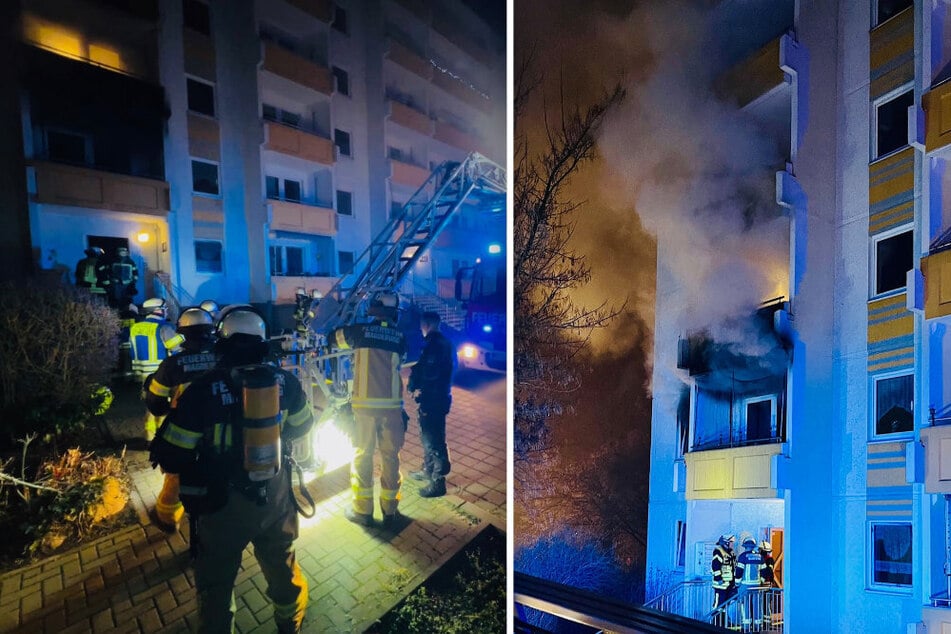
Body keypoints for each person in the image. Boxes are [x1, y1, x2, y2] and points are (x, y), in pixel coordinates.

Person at [149, 307, 313, 633]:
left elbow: (172, 455)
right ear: (261, 343)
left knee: (216, 581)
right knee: (282, 565)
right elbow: (302, 427)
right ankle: (289, 622)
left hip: (222, 503)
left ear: (222, 343)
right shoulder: (287, 382)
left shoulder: (202, 391)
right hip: (275, 496)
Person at [332, 291, 407, 528]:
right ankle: (390, 511)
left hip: (363, 407)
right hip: (392, 407)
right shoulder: (401, 337)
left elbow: (332, 339)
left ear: (373, 308)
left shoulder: (358, 332)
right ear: (395, 311)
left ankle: (363, 511)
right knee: (391, 456)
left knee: (363, 455)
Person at [144, 307, 219, 532]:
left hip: (183, 434)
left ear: (183, 333)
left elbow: (155, 404)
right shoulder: (223, 357)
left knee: (175, 474)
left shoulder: (172, 365)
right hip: (222, 429)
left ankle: (167, 518)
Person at [407, 311, 455, 497]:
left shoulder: (434, 345)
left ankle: (437, 483)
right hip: (440, 398)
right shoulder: (446, 343)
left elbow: (428, 372)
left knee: (433, 440)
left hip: (433, 399)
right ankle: (427, 470)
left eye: (421, 326)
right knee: (429, 437)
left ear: (426, 324)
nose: (421, 329)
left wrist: (416, 387)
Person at [129, 298, 177, 439]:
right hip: (162, 375)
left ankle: (150, 438)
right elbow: (178, 350)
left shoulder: (135, 327)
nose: (166, 310)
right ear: (158, 310)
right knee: (164, 407)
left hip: (143, 375)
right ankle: (164, 437)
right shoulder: (165, 327)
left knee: (150, 406)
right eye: (165, 308)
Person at [734, 532, 765, 628]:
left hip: (745, 586)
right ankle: (758, 625)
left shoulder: (743, 557)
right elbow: (764, 571)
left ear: (745, 546)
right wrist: (761, 581)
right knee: (757, 605)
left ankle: (746, 626)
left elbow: (739, 571)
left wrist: (737, 583)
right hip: (757, 585)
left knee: (745, 605)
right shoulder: (760, 556)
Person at [711, 533, 737, 626]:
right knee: (718, 604)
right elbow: (715, 566)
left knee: (726, 604)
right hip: (720, 585)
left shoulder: (731, 552)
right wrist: (719, 579)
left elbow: (733, 567)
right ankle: (716, 621)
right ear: (726, 542)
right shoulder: (718, 551)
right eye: (731, 542)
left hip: (729, 584)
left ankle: (723, 621)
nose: (733, 544)